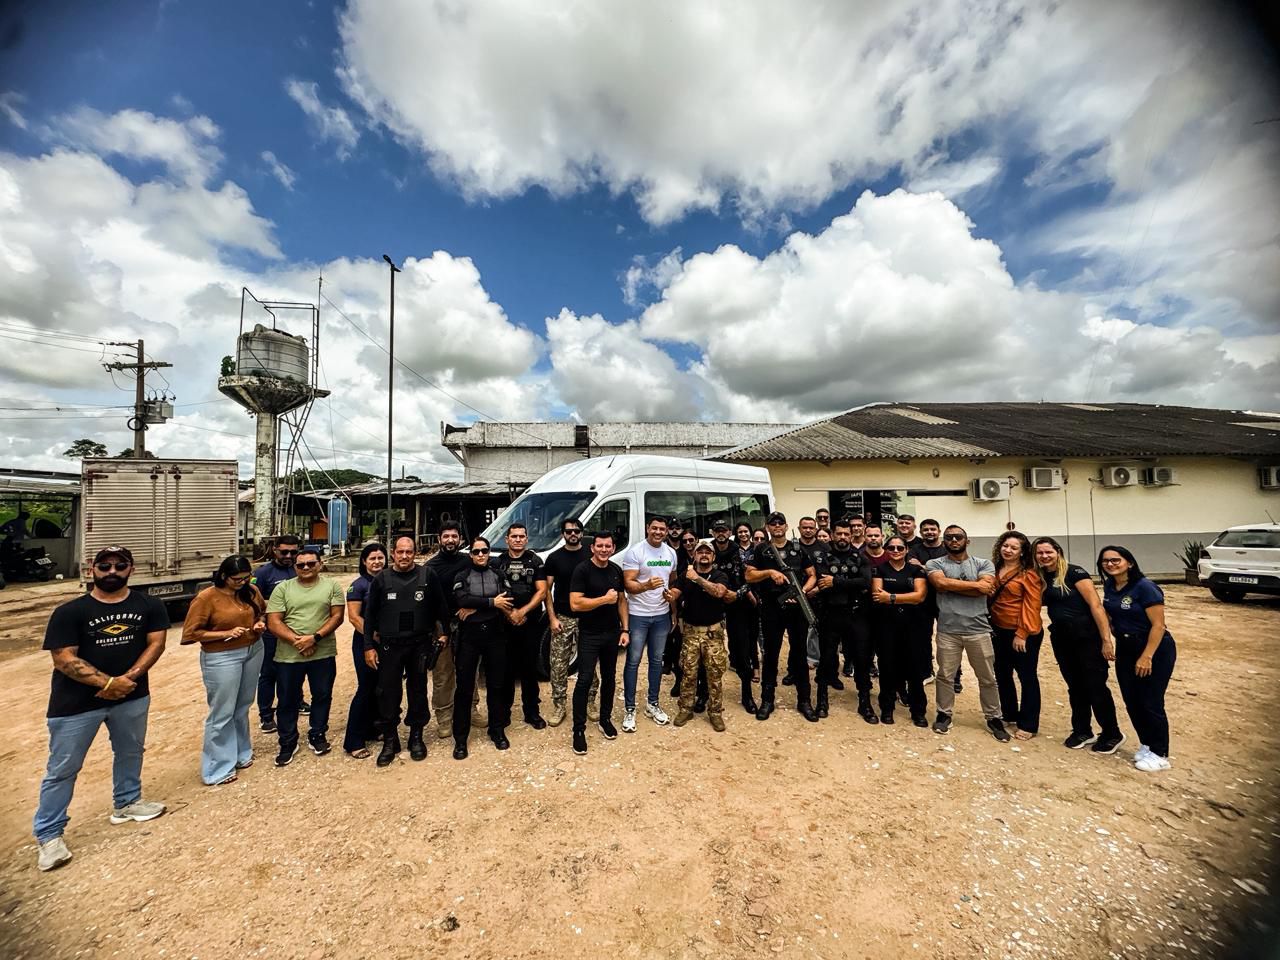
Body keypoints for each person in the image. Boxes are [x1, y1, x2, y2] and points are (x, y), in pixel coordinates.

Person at [33, 545, 168, 872]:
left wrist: (128, 679)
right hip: (75, 704)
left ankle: (127, 802)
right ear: (91, 568)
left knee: (131, 752)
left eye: (120, 565)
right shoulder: (70, 612)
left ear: (131, 569)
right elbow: (63, 658)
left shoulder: (149, 605)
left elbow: (156, 643)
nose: (112, 572)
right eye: (104, 566)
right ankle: (49, 835)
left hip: (132, 695)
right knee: (63, 767)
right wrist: (107, 684)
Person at [363, 536, 449, 766]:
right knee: (388, 693)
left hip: (419, 644)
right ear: (393, 553)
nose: (404, 556)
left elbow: (440, 607)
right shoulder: (381, 579)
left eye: (409, 552)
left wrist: (444, 633)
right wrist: (368, 647)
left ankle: (416, 736)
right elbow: (369, 616)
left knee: (418, 690)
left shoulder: (427, 576)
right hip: (389, 646)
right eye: (400, 552)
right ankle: (390, 740)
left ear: (415, 553)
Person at [1033, 538, 1124, 753]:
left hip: (1087, 637)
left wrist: (1106, 640)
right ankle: (1082, 730)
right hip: (1062, 638)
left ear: (1058, 551)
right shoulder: (1041, 577)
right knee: (1075, 686)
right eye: (1039, 553)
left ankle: (1112, 733)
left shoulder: (1075, 572)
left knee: (1095, 685)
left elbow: (1096, 605)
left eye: (1048, 552)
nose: (1044, 556)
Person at [181, 555, 267, 784]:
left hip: (253, 649)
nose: (241, 582)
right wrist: (225, 634)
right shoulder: (206, 598)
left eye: (245, 578)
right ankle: (217, 768)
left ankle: (241, 753)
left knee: (243, 705)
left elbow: (262, 611)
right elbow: (191, 633)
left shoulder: (251, 591)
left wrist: (259, 623)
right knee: (222, 711)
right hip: (222, 656)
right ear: (223, 576)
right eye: (236, 579)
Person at [926, 526, 1010, 742]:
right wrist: (975, 587)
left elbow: (986, 586)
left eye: (958, 537)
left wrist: (952, 586)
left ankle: (994, 717)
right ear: (944, 541)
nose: (954, 540)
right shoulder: (935, 564)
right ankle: (944, 714)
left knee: (987, 677)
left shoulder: (983, 564)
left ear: (967, 540)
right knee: (945, 675)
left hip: (978, 629)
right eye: (949, 537)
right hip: (948, 629)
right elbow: (940, 583)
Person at [1097, 546, 1177, 772]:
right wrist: (1108, 638)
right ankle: (1147, 744)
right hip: (1126, 647)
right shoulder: (1110, 586)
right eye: (1105, 561)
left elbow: (1159, 625)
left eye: (1116, 560)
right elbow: (1110, 615)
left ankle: (1160, 753)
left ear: (1129, 563)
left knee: (1151, 701)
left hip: (1153, 648)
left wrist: (1147, 656)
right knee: (1131, 699)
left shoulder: (1145, 587)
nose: (1110, 564)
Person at [264, 547, 345, 766]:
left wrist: (315, 638)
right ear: (295, 567)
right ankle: (287, 741)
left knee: (322, 695)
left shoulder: (332, 586)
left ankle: (317, 734)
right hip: (289, 656)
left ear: (320, 564)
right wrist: (298, 641)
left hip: (323, 652)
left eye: (311, 563)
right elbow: (274, 621)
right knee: (287, 699)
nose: (306, 567)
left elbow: (337, 616)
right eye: (301, 565)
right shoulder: (283, 589)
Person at [746, 511, 818, 722]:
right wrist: (769, 573)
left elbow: (812, 575)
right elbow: (749, 575)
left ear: (786, 527)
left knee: (800, 654)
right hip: (772, 608)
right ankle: (767, 700)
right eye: (773, 523)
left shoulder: (798, 549)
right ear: (768, 527)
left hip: (796, 609)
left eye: (780, 523)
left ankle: (804, 700)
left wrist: (802, 591)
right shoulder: (761, 550)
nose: (777, 526)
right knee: (771, 654)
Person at [451, 537, 513, 758]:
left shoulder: (498, 574)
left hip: (495, 634)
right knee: (464, 688)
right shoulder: (462, 576)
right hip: (469, 636)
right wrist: (491, 603)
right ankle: (460, 739)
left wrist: (476, 606)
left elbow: (508, 599)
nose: (480, 555)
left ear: (489, 552)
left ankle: (497, 730)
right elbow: (461, 599)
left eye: (484, 551)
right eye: (476, 552)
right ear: (471, 555)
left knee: (496, 685)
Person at [619, 517, 682, 732]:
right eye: (654, 528)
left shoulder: (670, 553)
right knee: (633, 661)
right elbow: (628, 584)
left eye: (662, 529)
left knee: (656, 661)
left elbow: (672, 583)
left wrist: (673, 609)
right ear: (648, 528)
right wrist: (646, 586)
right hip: (638, 614)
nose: (658, 532)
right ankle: (629, 708)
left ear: (666, 532)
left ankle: (652, 704)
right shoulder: (636, 552)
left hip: (661, 615)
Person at [568, 530, 627, 755]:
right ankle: (578, 730)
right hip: (589, 634)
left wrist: (625, 629)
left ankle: (605, 719)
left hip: (612, 633)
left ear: (613, 548)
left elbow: (621, 601)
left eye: (607, 546)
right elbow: (575, 604)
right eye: (599, 546)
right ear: (592, 548)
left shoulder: (616, 570)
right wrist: (604, 600)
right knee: (584, 680)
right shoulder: (582, 570)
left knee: (609, 678)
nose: (604, 550)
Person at [810, 519, 873, 720]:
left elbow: (866, 582)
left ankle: (865, 703)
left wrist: (836, 581)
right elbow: (822, 582)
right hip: (830, 614)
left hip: (855, 614)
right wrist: (849, 583)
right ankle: (822, 702)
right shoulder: (823, 558)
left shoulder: (860, 557)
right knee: (826, 659)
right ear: (832, 535)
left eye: (846, 534)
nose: (843, 537)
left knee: (861, 659)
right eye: (839, 533)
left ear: (852, 535)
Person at [425, 521, 483, 739]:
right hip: (441, 625)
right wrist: (436, 629)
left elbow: (480, 585)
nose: (450, 540)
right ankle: (444, 717)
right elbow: (428, 601)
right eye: (446, 536)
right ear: (439, 539)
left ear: (460, 539)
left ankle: (471, 708)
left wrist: (473, 608)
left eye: (454, 536)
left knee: (470, 668)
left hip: (467, 623)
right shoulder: (430, 567)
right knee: (443, 672)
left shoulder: (468, 561)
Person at [492, 523, 549, 730]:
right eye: (514, 536)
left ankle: (532, 712)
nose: (518, 539)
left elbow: (542, 591)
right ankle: (504, 712)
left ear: (526, 539)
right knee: (506, 669)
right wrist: (510, 614)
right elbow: (493, 591)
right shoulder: (497, 562)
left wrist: (521, 612)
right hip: (504, 623)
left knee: (529, 669)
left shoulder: (535, 561)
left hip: (530, 623)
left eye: (521, 536)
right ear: (506, 539)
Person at [988, 532, 1044, 741]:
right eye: (1005, 546)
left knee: (1027, 676)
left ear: (1022, 552)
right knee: (1002, 673)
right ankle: (1009, 713)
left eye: (1013, 548)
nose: (1008, 550)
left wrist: (1022, 633)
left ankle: (1029, 723)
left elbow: (1032, 605)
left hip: (1022, 631)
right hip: (998, 629)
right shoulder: (994, 569)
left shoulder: (1028, 574)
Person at [543, 517, 598, 726]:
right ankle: (559, 706)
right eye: (568, 531)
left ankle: (590, 702)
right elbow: (547, 590)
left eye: (576, 531)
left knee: (589, 663)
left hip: (588, 618)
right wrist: (552, 618)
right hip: (563, 618)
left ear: (582, 533)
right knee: (558, 665)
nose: (573, 534)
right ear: (563, 534)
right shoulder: (554, 558)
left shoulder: (591, 555)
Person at [674, 542, 733, 730]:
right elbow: (675, 592)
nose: (704, 555)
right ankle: (686, 709)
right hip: (691, 632)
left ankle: (715, 712)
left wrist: (697, 579)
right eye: (700, 552)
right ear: (694, 556)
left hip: (712, 633)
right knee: (688, 673)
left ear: (713, 557)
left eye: (708, 552)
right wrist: (667, 594)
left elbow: (719, 592)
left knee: (714, 674)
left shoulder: (719, 575)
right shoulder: (685, 576)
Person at [870, 536, 929, 726]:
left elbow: (920, 596)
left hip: (913, 625)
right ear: (886, 550)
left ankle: (918, 711)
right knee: (887, 667)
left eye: (900, 548)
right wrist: (906, 597)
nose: (896, 551)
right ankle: (887, 708)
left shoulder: (917, 570)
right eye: (892, 548)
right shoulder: (879, 569)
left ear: (906, 550)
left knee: (914, 669)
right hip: (886, 625)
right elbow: (878, 596)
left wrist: (892, 598)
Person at [251, 535, 304, 733]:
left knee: (296, 668)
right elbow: (253, 601)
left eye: (293, 552)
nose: (289, 556)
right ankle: (266, 715)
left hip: (297, 630)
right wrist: (279, 605)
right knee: (269, 673)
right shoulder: (263, 573)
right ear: (274, 550)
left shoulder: (299, 569)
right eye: (284, 552)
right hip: (271, 632)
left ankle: (298, 701)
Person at [341, 543, 385, 759]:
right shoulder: (358, 586)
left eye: (380, 557)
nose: (377, 562)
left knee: (381, 688)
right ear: (364, 561)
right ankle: (354, 740)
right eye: (372, 558)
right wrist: (373, 636)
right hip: (365, 642)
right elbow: (354, 617)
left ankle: (373, 728)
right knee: (366, 688)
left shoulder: (388, 580)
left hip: (388, 642)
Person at [711, 519, 757, 714]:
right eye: (718, 530)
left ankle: (747, 695)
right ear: (713, 533)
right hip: (713, 605)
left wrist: (737, 594)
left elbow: (750, 579)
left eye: (724, 530)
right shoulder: (707, 550)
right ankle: (704, 694)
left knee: (743, 650)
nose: (721, 534)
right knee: (707, 651)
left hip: (737, 604)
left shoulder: (739, 551)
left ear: (729, 532)